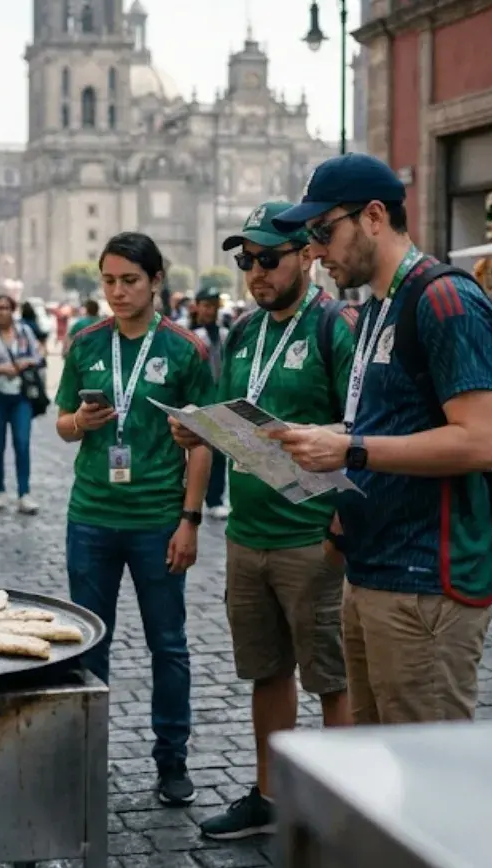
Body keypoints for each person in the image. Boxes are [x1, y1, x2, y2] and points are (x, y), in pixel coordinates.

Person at [269, 152, 492, 726]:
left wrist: (350, 448)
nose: (315, 251)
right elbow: (384, 424)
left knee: (427, 784)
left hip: (425, 580)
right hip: (370, 570)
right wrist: (315, 440)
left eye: (323, 231)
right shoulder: (375, 306)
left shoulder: (445, 297)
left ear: (373, 217)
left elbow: (481, 443)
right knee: (374, 772)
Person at [175, 203, 355, 839]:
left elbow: (362, 432)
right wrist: (198, 427)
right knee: (266, 671)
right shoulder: (245, 332)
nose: (255, 271)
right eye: (245, 260)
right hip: (248, 536)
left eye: (267, 258)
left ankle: (340, 812)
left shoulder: (336, 326)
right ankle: (271, 794)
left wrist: (339, 526)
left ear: (306, 253)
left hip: (312, 536)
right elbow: (235, 422)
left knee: (332, 679)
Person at [55, 231, 212, 807]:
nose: (118, 293)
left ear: (155, 281)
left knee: (167, 645)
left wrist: (190, 518)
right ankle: (85, 756)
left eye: (130, 281)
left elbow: (202, 444)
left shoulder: (185, 350)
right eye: (109, 281)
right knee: (88, 645)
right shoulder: (84, 342)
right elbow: (62, 424)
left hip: (156, 519)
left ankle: (172, 759)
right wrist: (80, 423)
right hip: (91, 516)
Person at [0, 294, 44, 515]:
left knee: (22, 442)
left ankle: (24, 493)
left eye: (7, 308)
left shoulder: (24, 332)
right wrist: (1, 369)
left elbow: (38, 356)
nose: (2, 312)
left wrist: (25, 362)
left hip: (21, 396)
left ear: (13, 310)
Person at [191, 288, 230, 520]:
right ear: (198, 306)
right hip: (196, 399)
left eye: (214, 305)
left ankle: (215, 498)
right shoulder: (191, 335)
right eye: (206, 305)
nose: (210, 310)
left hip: (219, 399)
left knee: (218, 453)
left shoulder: (225, 334)